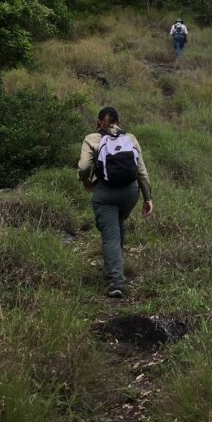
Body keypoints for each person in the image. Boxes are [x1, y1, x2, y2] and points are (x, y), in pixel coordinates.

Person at [77, 106, 153, 298]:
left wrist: (86, 182)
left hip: (106, 193)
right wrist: (148, 198)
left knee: (110, 234)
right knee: (117, 224)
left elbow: (84, 166)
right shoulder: (130, 138)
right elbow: (141, 172)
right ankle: (115, 263)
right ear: (119, 122)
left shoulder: (92, 138)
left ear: (98, 122)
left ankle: (116, 281)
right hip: (130, 192)